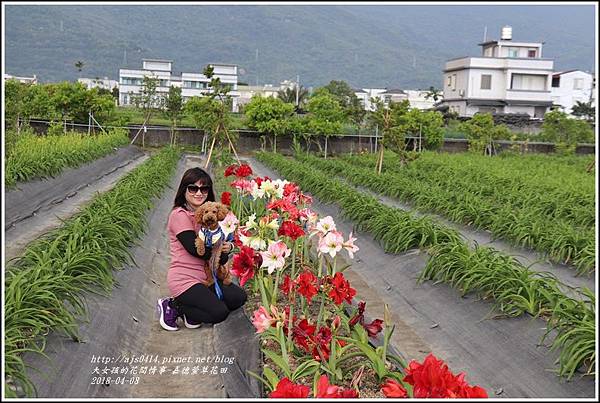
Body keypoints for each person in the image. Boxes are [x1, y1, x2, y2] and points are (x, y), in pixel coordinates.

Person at [156, 167, 247, 331]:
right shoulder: (180, 215)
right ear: (184, 190)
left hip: (207, 275)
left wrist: (226, 248)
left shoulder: (211, 218)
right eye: (193, 188)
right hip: (185, 279)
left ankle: (192, 312)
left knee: (238, 298)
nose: (199, 193)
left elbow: (222, 257)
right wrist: (219, 250)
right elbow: (195, 250)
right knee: (219, 312)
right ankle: (174, 305)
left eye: (203, 188)